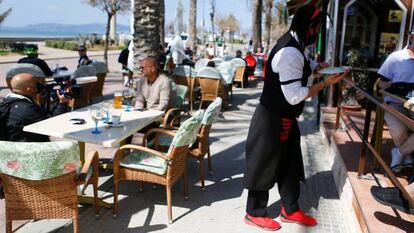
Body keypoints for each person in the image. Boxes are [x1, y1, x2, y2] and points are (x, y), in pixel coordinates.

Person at [243, 5, 348, 231]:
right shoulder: (289, 51)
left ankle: (290, 209)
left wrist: (321, 69)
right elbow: (294, 96)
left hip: (286, 119)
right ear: (308, 27)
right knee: (264, 164)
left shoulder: (297, 43)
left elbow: (306, 67)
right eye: (317, 28)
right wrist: (324, 84)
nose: (317, 32)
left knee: (290, 164)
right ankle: (254, 212)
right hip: (271, 119)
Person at [378, 29, 414, 173]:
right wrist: (390, 86)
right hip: (395, 102)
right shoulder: (396, 57)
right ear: (411, 37)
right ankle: (408, 154)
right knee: (398, 129)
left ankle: (399, 153)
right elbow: (381, 82)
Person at [2, 69, 70, 142]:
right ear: (30, 90)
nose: (40, 86)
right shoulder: (28, 108)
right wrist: (62, 103)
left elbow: (42, 114)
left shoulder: (7, 102)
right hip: (30, 149)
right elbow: (51, 126)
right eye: (37, 84)